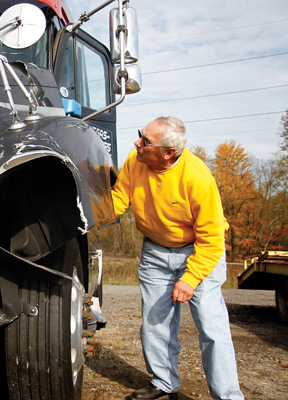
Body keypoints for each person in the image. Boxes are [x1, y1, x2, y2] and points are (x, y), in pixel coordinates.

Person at [111, 116, 244, 400]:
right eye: (140, 135)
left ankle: (228, 396)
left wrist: (190, 279)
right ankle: (164, 381)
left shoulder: (197, 178)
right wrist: (86, 212)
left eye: (145, 141)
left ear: (167, 152)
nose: (137, 143)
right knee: (155, 323)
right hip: (156, 252)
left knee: (211, 326)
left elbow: (211, 240)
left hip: (198, 253)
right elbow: (118, 199)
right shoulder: (136, 162)